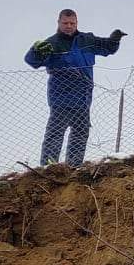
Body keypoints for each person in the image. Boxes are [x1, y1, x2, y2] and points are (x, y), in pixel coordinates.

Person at [24, 9, 124, 165]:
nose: (69, 26)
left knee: (81, 132)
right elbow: (32, 61)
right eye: (65, 23)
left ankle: (74, 165)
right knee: (55, 132)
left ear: (77, 23)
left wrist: (114, 39)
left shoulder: (87, 40)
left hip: (83, 98)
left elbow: (107, 48)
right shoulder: (52, 43)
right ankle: (49, 165)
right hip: (61, 97)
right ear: (58, 23)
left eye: (72, 23)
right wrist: (36, 51)